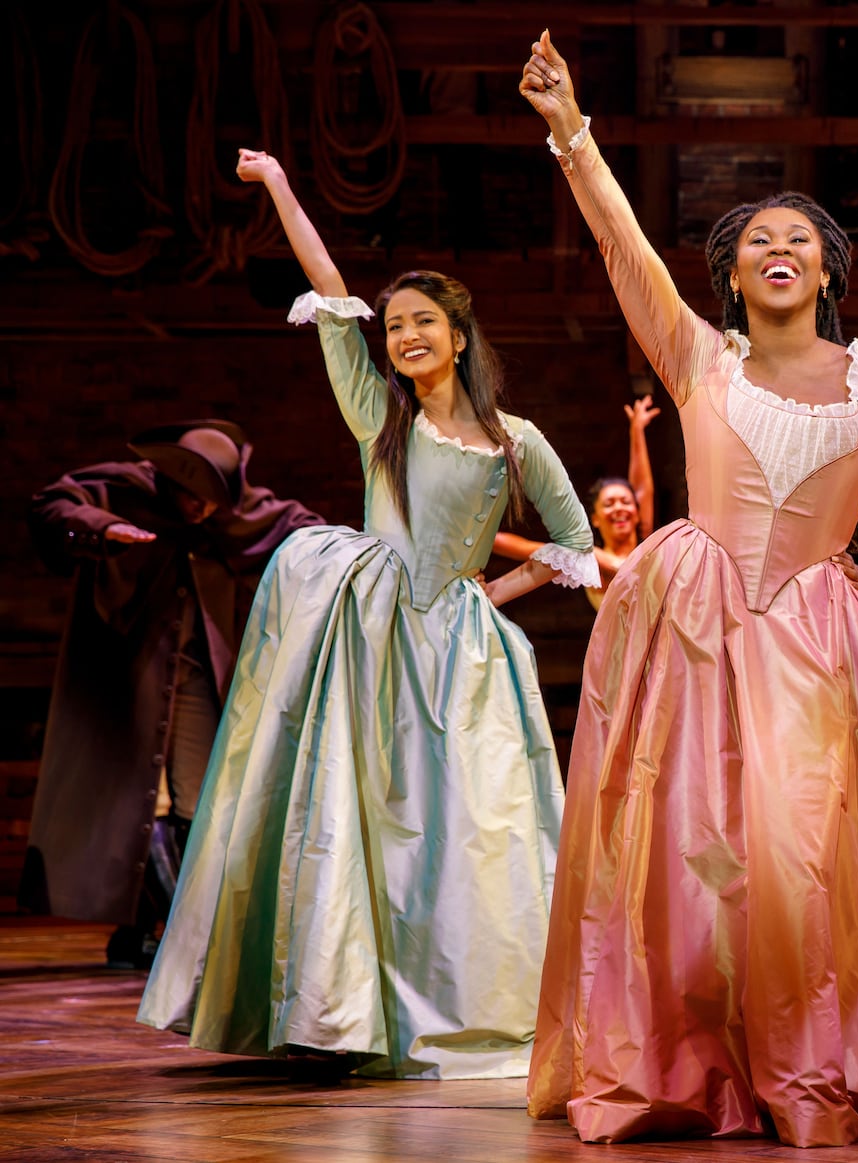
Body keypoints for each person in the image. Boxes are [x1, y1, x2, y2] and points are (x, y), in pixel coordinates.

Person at [518, 32, 858, 1147]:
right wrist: (570, 130)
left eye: (797, 239)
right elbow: (622, 246)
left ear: (827, 272)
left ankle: (812, 1052)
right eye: (755, 242)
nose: (776, 248)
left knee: (800, 851)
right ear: (735, 276)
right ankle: (689, 1057)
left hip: (816, 638)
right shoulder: (700, 360)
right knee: (694, 851)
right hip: (694, 625)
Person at [137, 148, 599, 1080]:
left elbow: (576, 541)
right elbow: (329, 284)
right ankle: (348, 1005)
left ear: (459, 335)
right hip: (374, 641)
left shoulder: (518, 442)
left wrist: (489, 595)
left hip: (463, 656)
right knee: (365, 822)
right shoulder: (378, 417)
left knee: (472, 830)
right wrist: (276, 183)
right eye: (394, 327)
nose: (403, 337)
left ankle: (476, 1001)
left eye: (423, 322)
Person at [24, 421, 322, 969]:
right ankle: (151, 929)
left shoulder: (242, 509)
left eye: (212, 502)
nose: (201, 511)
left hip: (196, 668)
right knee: (138, 797)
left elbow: (308, 530)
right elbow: (55, 504)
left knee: (199, 796)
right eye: (190, 497)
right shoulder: (127, 487)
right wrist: (102, 528)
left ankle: (180, 928)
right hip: (129, 664)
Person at [493, 393, 659, 609]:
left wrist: (636, 431)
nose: (619, 508)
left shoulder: (645, 548)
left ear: (636, 513)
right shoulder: (591, 558)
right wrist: (480, 538)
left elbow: (643, 491)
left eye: (626, 502)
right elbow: (528, 548)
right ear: (596, 519)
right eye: (609, 504)